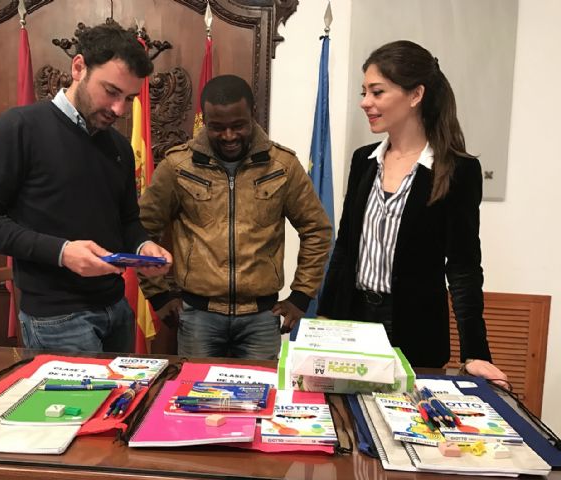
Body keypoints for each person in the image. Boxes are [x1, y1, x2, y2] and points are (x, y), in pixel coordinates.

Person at [0, 23, 172, 353]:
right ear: (78, 67)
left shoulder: (119, 146)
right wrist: (62, 252)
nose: (119, 110)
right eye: (111, 91)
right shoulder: (18, 128)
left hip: (117, 309)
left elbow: (128, 221)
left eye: (129, 98)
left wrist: (143, 246)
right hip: (55, 318)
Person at [317, 40, 508, 383]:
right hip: (353, 322)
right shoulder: (363, 161)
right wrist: (326, 318)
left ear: (416, 95)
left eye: (377, 92)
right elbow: (345, 247)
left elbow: (463, 268)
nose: (365, 102)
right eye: (364, 92)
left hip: (414, 330)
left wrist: (476, 352)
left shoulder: (458, 170)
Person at [138, 74, 332, 360]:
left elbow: (317, 230)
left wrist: (302, 295)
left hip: (261, 318)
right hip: (198, 317)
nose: (228, 136)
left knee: (262, 389)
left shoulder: (282, 165)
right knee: (195, 388)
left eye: (238, 125)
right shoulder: (177, 165)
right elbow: (142, 230)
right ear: (204, 120)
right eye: (217, 127)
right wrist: (157, 295)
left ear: (252, 114)